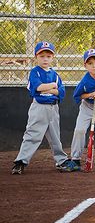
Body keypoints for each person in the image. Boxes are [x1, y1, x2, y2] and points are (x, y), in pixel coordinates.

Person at [11, 41, 75, 174]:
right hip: (39, 108)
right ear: (36, 57)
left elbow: (61, 92)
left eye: (48, 56)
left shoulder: (55, 75)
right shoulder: (35, 72)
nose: (45, 59)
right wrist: (52, 86)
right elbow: (37, 88)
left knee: (55, 136)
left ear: (52, 57)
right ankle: (20, 162)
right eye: (42, 56)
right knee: (32, 134)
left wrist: (48, 89)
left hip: (53, 108)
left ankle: (61, 161)